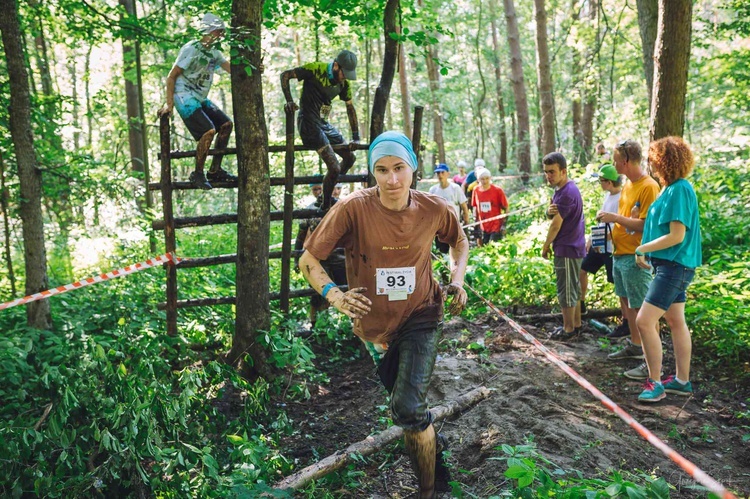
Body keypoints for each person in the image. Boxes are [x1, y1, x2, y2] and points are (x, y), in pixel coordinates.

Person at [298, 131, 469, 498]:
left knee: (407, 407)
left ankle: (428, 492)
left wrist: (458, 280)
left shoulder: (434, 208)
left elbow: (459, 240)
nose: (392, 179)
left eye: (399, 168)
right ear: (371, 172)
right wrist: (336, 296)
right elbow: (308, 259)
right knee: (410, 412)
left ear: (413, 168)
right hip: (373, 328)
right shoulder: (352, 208)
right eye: (381, 170)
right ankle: (439, 474)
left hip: (422, 315)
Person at [633, 137, 701, 403]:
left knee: (644, 321)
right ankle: (682, 381)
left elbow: (676, 235)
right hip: (670, 264)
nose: (650, 163)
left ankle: (655, 382)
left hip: (675, 265)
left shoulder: (680, 189)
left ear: (664, 161)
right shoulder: (669, 189)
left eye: (652, 158)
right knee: (675, 321)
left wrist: (642, 248)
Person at [596, 139, 660, 380]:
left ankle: (650, 360)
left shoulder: (648, 186)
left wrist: (614, 217)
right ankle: (635, 346)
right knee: (628, 306)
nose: (613, 163)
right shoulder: (628, 187)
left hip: (637, 256)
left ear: (625, 160)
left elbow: (646, 225)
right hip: (619, 254)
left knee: (643, 310)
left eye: (615, 159)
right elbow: (626, 219)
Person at [158, 13, 237, 190]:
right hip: (183, 95)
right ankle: (198, 173)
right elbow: (171, 77)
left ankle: (215, 170)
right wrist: (169, 105)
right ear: (209, 31)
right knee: (208, 130)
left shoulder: (215, 53)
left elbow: (233, 69)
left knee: (226, 125)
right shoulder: (191, 49)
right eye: (218, 32)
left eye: (222, 32)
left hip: (199, 97)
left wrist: (255, 69)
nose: (221, 36)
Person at [281, 50, 360, 209]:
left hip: (323, 124)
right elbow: (285, 75)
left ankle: (326, 194)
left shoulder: (344, 84)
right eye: (344, 73)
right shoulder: (315, 69)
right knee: (334, 166)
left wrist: (355, 136)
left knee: (350, 158)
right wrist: (289, 101)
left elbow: (350, 108)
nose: (344, 77)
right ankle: (325, 206)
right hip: (308, 123)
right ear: (336, 66)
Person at [541, 152, 586, 340]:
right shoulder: (562, 190)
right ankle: (575, 325)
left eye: (552, 172)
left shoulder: (567, 192)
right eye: (546, 172)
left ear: (563, 171)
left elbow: (556, 224)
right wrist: (548, 211)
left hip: (567, 247)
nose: (549, 176)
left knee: (566, 290)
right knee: (572, 288)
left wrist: (545, 245)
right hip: (572, 246)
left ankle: (568, 329)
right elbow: (553, 214)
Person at [295, 182, 347, 325]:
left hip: (341, 258)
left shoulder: (344, 207)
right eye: (315, 189)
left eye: (321, 189)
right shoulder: (310, 210)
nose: (319, 192)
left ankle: (351, 325)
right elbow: (301, 235)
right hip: (318, 260)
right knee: (318, 294)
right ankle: (316, 325)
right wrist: (296, 258)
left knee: (346, 290)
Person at [579, 164, 623, 322]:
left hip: (612, 247)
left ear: (609, 182)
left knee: (618, 283)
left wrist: (602, 239)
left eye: (601, 181)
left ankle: (625, 319)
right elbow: (603, 221)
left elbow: (619, 225)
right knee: (582, 269)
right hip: (600, 243)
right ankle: (581, 305)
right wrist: (592, 238)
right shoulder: (609, 195)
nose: (600, 184)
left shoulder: (622, 198)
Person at [429, 163, 471, 254]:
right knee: (442, 251)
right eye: (438, 173)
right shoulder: (433, 190)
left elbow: (464, 206)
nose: (440, 175)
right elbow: (430, 210)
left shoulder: (455, 188)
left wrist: (466, 221)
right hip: (439, 228)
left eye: (442, 172)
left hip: (454, 225)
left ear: (448, 173)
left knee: (455, 251)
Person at [471, 168, 509, 246]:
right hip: (483, 225)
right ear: (478, 180)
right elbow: (475, 207)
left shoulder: (498, 190)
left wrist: (504, 225)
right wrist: (476, 223)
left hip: (496, 225)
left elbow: (506, 208)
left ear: (490, 178)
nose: (485, 181)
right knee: (484, 247)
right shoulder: (476, 190)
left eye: (487, 178)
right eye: (482, 179)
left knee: (493, 247)